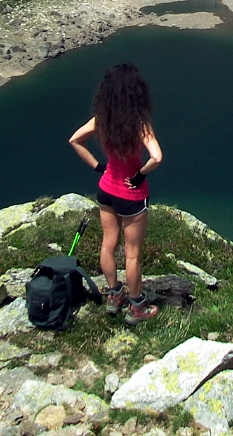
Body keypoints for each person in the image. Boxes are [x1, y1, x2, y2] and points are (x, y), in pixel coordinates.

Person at [68, 62, 163, 324]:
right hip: (132, 197)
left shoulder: (102, 119)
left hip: (106, 191)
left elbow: (75, 140)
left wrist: (99, 167)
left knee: (108, 244)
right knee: (131, 254)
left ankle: (114, 294)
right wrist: (140, 174)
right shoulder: (139, 124)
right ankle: (137, 307)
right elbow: (156, 157)